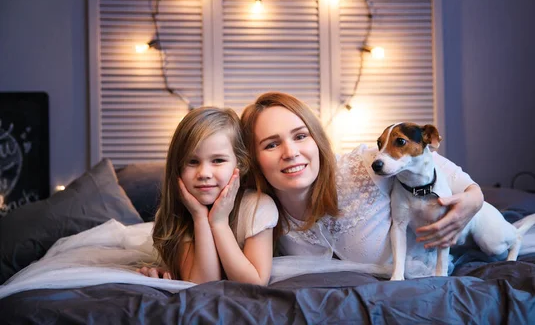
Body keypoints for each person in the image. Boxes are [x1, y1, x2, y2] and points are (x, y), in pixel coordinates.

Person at [240, 91, 484, 275]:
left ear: (317, 141)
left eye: (301, 136)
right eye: (271, 144)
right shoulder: (258, 208)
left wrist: (475, 199)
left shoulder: (366, 166)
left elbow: (446, 173)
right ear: (253, 157)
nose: (290, 152)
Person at [149, 106, 278, 285]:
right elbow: (203, 284)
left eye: (218, 160)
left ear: (239, 163)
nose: (204, 173)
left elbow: (254, 284)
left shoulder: (258, 207)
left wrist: (219, 222)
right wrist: (200, 218)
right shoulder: (178, 214)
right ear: (177, 167)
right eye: (192, 162)